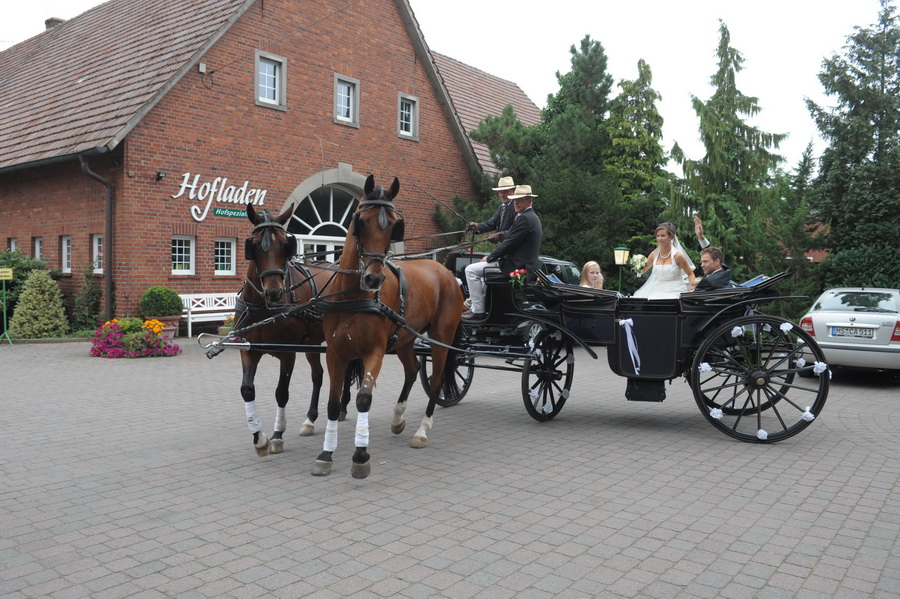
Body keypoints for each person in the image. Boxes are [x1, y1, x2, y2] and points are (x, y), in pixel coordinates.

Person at [462, 184, 542, 322]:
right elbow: (506, 234)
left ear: (529, 201)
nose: (516, 202)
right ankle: (481, 304)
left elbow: (509, 242)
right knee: (482, 274)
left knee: (470, 270)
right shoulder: (527, 216)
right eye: (515, 200)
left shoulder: (525, 218)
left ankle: (478, 310)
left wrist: (490, 257)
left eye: (520, 200)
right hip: (515, 262)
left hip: (515, 265)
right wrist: (479, 227)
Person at [633, 222, 695, 299]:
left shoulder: (678, 256)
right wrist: (637, 266)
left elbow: (690, 274)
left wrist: (692, 288)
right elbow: (642, 270)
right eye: (658, 236)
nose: (659, 238)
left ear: (670, 237)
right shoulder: (653, 255)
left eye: (663, 236)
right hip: (657, 291)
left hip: (675, 291)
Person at [466, 176, 516, 243]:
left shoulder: (516, 207)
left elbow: (516, 230)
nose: (502, 195)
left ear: (513, 191)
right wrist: (477, 226)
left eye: (505, 192)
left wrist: (500, 235)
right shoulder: (501, 207)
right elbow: (491, 224)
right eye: (500, 192)